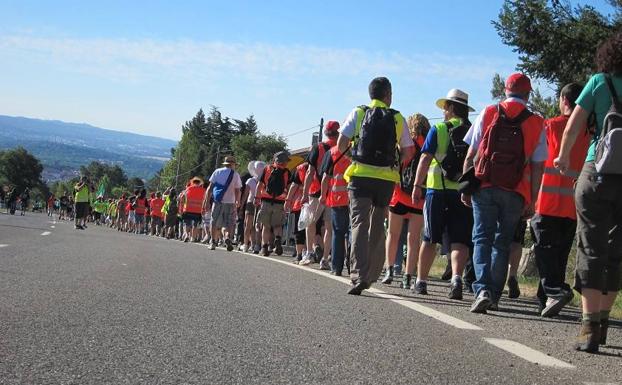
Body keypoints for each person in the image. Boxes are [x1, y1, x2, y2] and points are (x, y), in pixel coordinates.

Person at [554, 32, 622, 353]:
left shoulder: (599, 81)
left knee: (590, 245)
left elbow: (573, 126)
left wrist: (563, 156)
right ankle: (606, 322)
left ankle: (589, 328)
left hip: (597, 171)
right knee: (616, 250)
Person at [462, 73, 547, 313]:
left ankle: (482, 291)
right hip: (515, 190)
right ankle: (495, 295)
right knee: (502, 243)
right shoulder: (536, 122)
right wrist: (532, 200)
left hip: (485, 186)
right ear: (528, 94)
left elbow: (472, 154)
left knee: (481, 239)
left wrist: (466, 187)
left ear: (505, 90)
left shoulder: (489, 112)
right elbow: (539, 166)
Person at [337, 76, 415, 295]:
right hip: (386, 180)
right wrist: (395, 164)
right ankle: (371, 275)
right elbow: (409, 151)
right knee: (378, 225)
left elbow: (340, 143)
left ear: (370, 94)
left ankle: (358, 275)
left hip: (360, 176)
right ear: (388, 95)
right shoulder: (398, 118)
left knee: (358, 224)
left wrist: (353, 159)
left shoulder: (359, 112)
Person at [529, 83, 590, 317]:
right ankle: (544, 299)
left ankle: (556, 290)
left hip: (546, 201)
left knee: (544, 252)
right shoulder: (588, 131)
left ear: (564, 100)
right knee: (559, 256)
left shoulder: (551, 126)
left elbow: (535, 158)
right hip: (573, 206)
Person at [411, 89, 474, 300]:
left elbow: (425, 160)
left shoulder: (438, 129)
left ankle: (421, 282)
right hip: (462, 193)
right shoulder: (473, 130)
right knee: (459, 240)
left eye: (445, 107)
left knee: (429, 237)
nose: (444, 111)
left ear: (452, 108)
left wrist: (417, 185)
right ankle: (456, 278)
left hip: (436, 191)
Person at [382, 113, 429, 289]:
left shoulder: (405, 142)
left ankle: (389, 269)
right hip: (419, 197)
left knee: (393, 235)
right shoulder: (429, 143)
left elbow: (397, 166)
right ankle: (408, 276)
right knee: (413, 238)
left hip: (399, 194)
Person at [300, 121, 340, 268]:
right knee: (329, 227)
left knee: (310, 222)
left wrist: (304, 193)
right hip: (334, 193)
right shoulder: (342, 148)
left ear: (325, 132)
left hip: (316, 191)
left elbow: (310, 172)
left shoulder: (318, 147)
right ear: (338, 132)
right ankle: (325, 259)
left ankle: (309, 252)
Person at [319, 137, 352, 276]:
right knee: (353, 232)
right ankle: (352, 265)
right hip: (356, 198)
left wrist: (322, 195)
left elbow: (325, 177)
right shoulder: (359, 148)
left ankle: (336, 267)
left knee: (338, 233)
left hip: (337, 198)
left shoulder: (332, 152)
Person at [255, 151, 292, 256]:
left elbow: (259, 185)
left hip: (266, 201)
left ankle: (264, 247)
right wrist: (288, 201)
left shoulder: (267, 169)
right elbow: (289, 188)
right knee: (277, 225)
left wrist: (256, 198)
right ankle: (278, 239)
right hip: (280, 202)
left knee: (266, 226)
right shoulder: (287, 172)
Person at [205, 156, 243, 251]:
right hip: (230, 202)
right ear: (233, 164)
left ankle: (213, 242)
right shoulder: (235, 175)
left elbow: (210, 188)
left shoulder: (217, 172)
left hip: (218, 201)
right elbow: (238, 190)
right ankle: (226, 238)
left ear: (225, 164)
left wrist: (206, 201)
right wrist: (238, 201)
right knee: (228, 223)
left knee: (214, 221)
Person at [285, 162, 308, 263]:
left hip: (300, 203)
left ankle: (299, 254)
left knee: (299, 229)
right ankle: (310, 252)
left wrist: (288, 200)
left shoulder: (302, 168)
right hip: (317, 203)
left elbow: (294, 185)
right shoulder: (323, 164)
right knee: (314, 229)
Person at [240, 161, 265, 253]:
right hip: (261, 203)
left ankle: (246, 245)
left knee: (248, 225)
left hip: (250, 203)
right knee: (257, 226)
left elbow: (245, 195)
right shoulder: (264, 181)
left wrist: (241, 206)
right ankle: (256, 245)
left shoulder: (250, 180)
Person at [179, 177, 205, 242]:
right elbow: (205, 200)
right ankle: (192, 238)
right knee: (195, 225)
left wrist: (181, 208)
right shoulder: (203, 190)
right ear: (199, 183)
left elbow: (182, 198)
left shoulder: (188, 189)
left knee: (186, 224)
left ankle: (186, 235)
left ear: (192, 182)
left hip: (187, 209)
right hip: (198, 210)